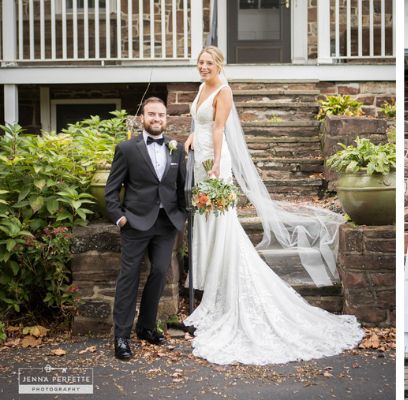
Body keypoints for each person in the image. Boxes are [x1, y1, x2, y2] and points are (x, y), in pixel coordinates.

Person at [181, 46, 363, 365]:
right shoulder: (200, 88)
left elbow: (220, 128)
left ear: (219, 65)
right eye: (200, 62)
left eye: (209, 63)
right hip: (200, 159)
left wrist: (216, 165)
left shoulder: (224, 91)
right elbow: (201, 123)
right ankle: (208, 282)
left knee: (222, 223)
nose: (203, 67)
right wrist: (191, 137)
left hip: (215, 165)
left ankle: (223, 287)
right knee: (206, 222)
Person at [105, 97, 187, 361]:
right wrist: (120, 217)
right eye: (152, 114)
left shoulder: (177, 148)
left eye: (161, 115)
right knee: (128, 278)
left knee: (161, 272)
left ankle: (147, 327)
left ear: (166, 118)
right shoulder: (127, 148)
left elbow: (180, 185)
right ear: (143, 117)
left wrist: (182, 214)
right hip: (136, 223)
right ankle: (121, 336)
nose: (157, 119)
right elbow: (111, 190)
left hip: (166, 224)